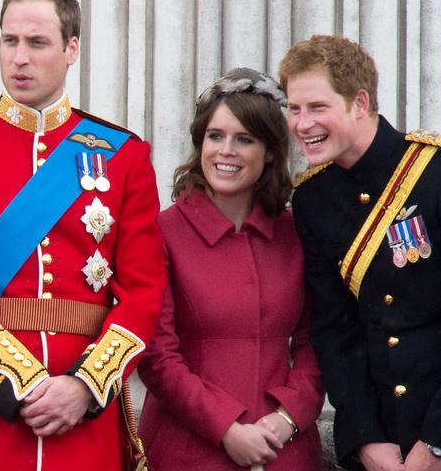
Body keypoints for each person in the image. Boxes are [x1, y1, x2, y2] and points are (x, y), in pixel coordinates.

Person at [0, 0, 166, 468]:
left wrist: (85, 386)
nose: (19, 58)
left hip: (83, 416)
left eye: (37, 43)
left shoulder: (123, 156)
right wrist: (15, 382)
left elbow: (144, 292)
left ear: (71, 49)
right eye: (9, 41)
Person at [279, 34, 441, 471]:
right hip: (382, 446)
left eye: (317, 107)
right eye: (293, 109)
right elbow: (334, 330)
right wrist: (365, 439)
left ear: (359, 102)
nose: (301, 123)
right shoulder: (314, 197)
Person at [137, 67, 324, 470]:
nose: (226, 151)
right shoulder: (162, 232)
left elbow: (317, 341)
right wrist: (226, 428)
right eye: (215, 136)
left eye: (245, 139)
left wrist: (286, 417)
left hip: (284, 451)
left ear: (271, 151)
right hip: (187, 449)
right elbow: (157, 355)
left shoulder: (298, 232)